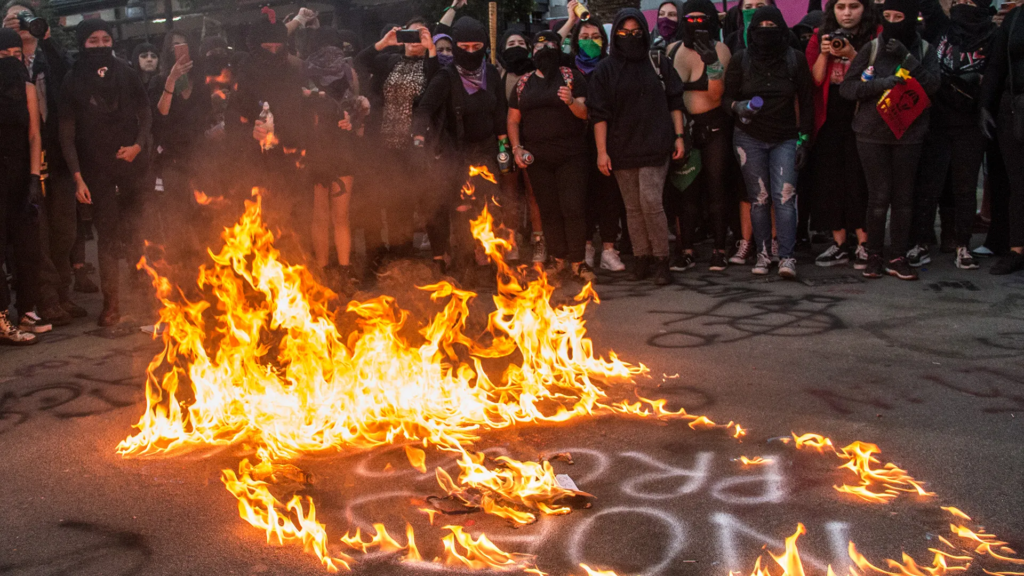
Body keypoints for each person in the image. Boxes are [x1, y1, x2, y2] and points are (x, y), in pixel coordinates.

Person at [59, 18, 152, 325]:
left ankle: (146, 290)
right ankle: (112, 303)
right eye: (92, 41)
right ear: (82, 44)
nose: (100, 46)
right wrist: (77, 176)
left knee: (138, 229)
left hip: (131, 165)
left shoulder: (126, 72)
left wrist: (138, 146)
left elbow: (145, 112)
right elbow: (66, 132)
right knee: (108, 236)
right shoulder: (72, 80)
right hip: (95, 169)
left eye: (105, 40)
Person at [839, 0, 940, 280]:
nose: (893, 22)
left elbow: (933, 85)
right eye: (888, 16)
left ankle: (897, 255)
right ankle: (874, 254)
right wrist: (879, 85)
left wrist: (908, 59)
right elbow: (847, 88)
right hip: (871, 133)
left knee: (904, 198)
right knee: (879, 196)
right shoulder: (872, 48)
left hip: (909, 134)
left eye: (899, 17)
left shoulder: (924, 50)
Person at [588, 9, 687, 285]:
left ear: (645, 32)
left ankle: (661, 260)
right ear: (615, 35)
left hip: (656, 143)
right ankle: (641, 258)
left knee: (650, 201)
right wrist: (601, 151)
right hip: (621, 147)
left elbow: (675, 102)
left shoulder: (658, 62)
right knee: (632, 206)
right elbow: (599, 114)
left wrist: (679, 136)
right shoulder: (605, 70)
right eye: (623, 33)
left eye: (635, 32)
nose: (630, 37)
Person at [4, 1, 83, 326]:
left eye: (24, 18)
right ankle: (47, 299)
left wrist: (47, 38)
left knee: (65, 230)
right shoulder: (3, 60)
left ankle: (62, 294)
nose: (21, 24)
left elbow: (70, 77)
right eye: (12, 18)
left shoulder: (49, 55)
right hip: (21, 159)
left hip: (58, 155)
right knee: (37, 233)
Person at [412, 16, 508, 279]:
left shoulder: (492, 74)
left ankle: (485, 259)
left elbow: (500, 112)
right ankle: (463, 262)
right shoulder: (446, 77)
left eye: (476, 47)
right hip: (455, 152)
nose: (470, 53)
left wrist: (504, 148)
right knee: (462, 209)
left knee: (489, 206)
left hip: (486, 150)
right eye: (463, 47)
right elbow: (424, 110)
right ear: (455, 48)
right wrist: (418, 141)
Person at [724, 5, 815, 279]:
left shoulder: (794, 59)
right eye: (760, 27)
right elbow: (725, 100)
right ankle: (763, 254)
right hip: (748, 137)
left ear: (782, 30)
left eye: (771, 27)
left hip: (786, 138)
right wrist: (738, 107)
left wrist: (805, 141)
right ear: (751, 32)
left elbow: (808, 103)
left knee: (785, 198)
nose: (766, 32)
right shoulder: (741, 60)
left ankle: (787, 257)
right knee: (759, 199)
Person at [906, 0, 996, 271]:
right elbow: (927, 8)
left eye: (969, 2)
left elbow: (995, 75)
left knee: (965, 187)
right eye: (958, 2)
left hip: (970, 122)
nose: (962, 6)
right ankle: (921, 242)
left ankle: (962, 245)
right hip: (937, 120)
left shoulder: (992, 34)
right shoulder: (943, 29)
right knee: (929, 185)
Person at [508, 30, 594, 283]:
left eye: (551, 46)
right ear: (532, 52)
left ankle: (578, 262)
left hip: (572, 156)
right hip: (537, 158)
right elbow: (513, 120)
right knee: (549, 210)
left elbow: (585, 113)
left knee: (573, 208)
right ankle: (558, 260)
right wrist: (516, 148)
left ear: (559, 50)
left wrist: (570, 102)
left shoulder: (572, 77)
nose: (544, 51)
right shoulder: (523, 83)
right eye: (539, 46)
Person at [355, 18, 438, 271]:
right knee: (375, 199)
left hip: (410, 145)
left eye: (421, 34)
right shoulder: (388, 61)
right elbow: (357, 63)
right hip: (379, 144)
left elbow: (438, 86)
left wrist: (431, 50)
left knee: (402, 201)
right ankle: (375, 255)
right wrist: (384, 43)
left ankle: (401, 255)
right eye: (411, 34)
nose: (415, 40)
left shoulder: (431, 66)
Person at [807, 0, 880, 269]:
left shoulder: (875, 35)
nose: (847, 13)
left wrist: (852, 54)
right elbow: (814, 79)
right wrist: (825, 53)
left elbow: (878, 75)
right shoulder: (820, 35)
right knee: (831, 182)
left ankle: (865, 244)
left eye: (853, 6)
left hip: (864, 119)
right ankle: (839, 244)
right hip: (830, 120)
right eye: (840, 7)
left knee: (860, 182)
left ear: (865, 8)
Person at [668, 0, 734, 271]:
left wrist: (713, 65)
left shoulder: (720, 49)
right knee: (686, 192)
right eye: (690, 19)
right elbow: (668, 93)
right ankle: (686, 249)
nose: (695, 25)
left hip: (714, 125)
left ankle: (719, 249)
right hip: (682, 126)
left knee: (716, 187)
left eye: (701, 19)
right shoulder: (673, 49)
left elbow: (716, 95)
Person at [303, 31, 364, 293]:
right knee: (326, 215)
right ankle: (329, 270)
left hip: (338, 148)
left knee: (335, 215)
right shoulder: (305, 74)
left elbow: (360, 108)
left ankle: (339, 271)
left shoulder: (347, 73)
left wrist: (352, 119)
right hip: (321, 149)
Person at [567, 15, 627, 273]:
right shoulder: (568, 68)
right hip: (576, 142)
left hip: (608, 139)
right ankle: (588, 246)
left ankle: (610, 249)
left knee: (609, 194)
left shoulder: (611, 66)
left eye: (594, 37)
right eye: (583, 37)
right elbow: (549, 44)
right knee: (582, 196)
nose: (589, 42)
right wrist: (571, 20)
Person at [150, 30, 211, 276]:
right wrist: (172, 80)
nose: (179, 49)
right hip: (171, 154)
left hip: (199, 153)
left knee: (203, 210)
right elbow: (160, 114)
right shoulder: (158, 81)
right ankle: (182, 267)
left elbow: (206, 113)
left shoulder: (201, 80)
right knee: (177, 211)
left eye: (183, 44)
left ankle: (205, 265)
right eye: (174, 45)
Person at [0, 27, 43, 343]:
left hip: (20, 177)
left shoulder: (27, 88)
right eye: (4, 56)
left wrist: (33, 179)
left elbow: (33, 135)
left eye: (17, 55)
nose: (12, 61)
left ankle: (28, 310)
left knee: (28, 248)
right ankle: (1, 319)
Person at [979, 0, 1024, 275]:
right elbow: (996, 65)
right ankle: (1017, 248)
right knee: (1018, 183)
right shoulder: (1016, 18)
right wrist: (985, 104)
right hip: (1015, 109)